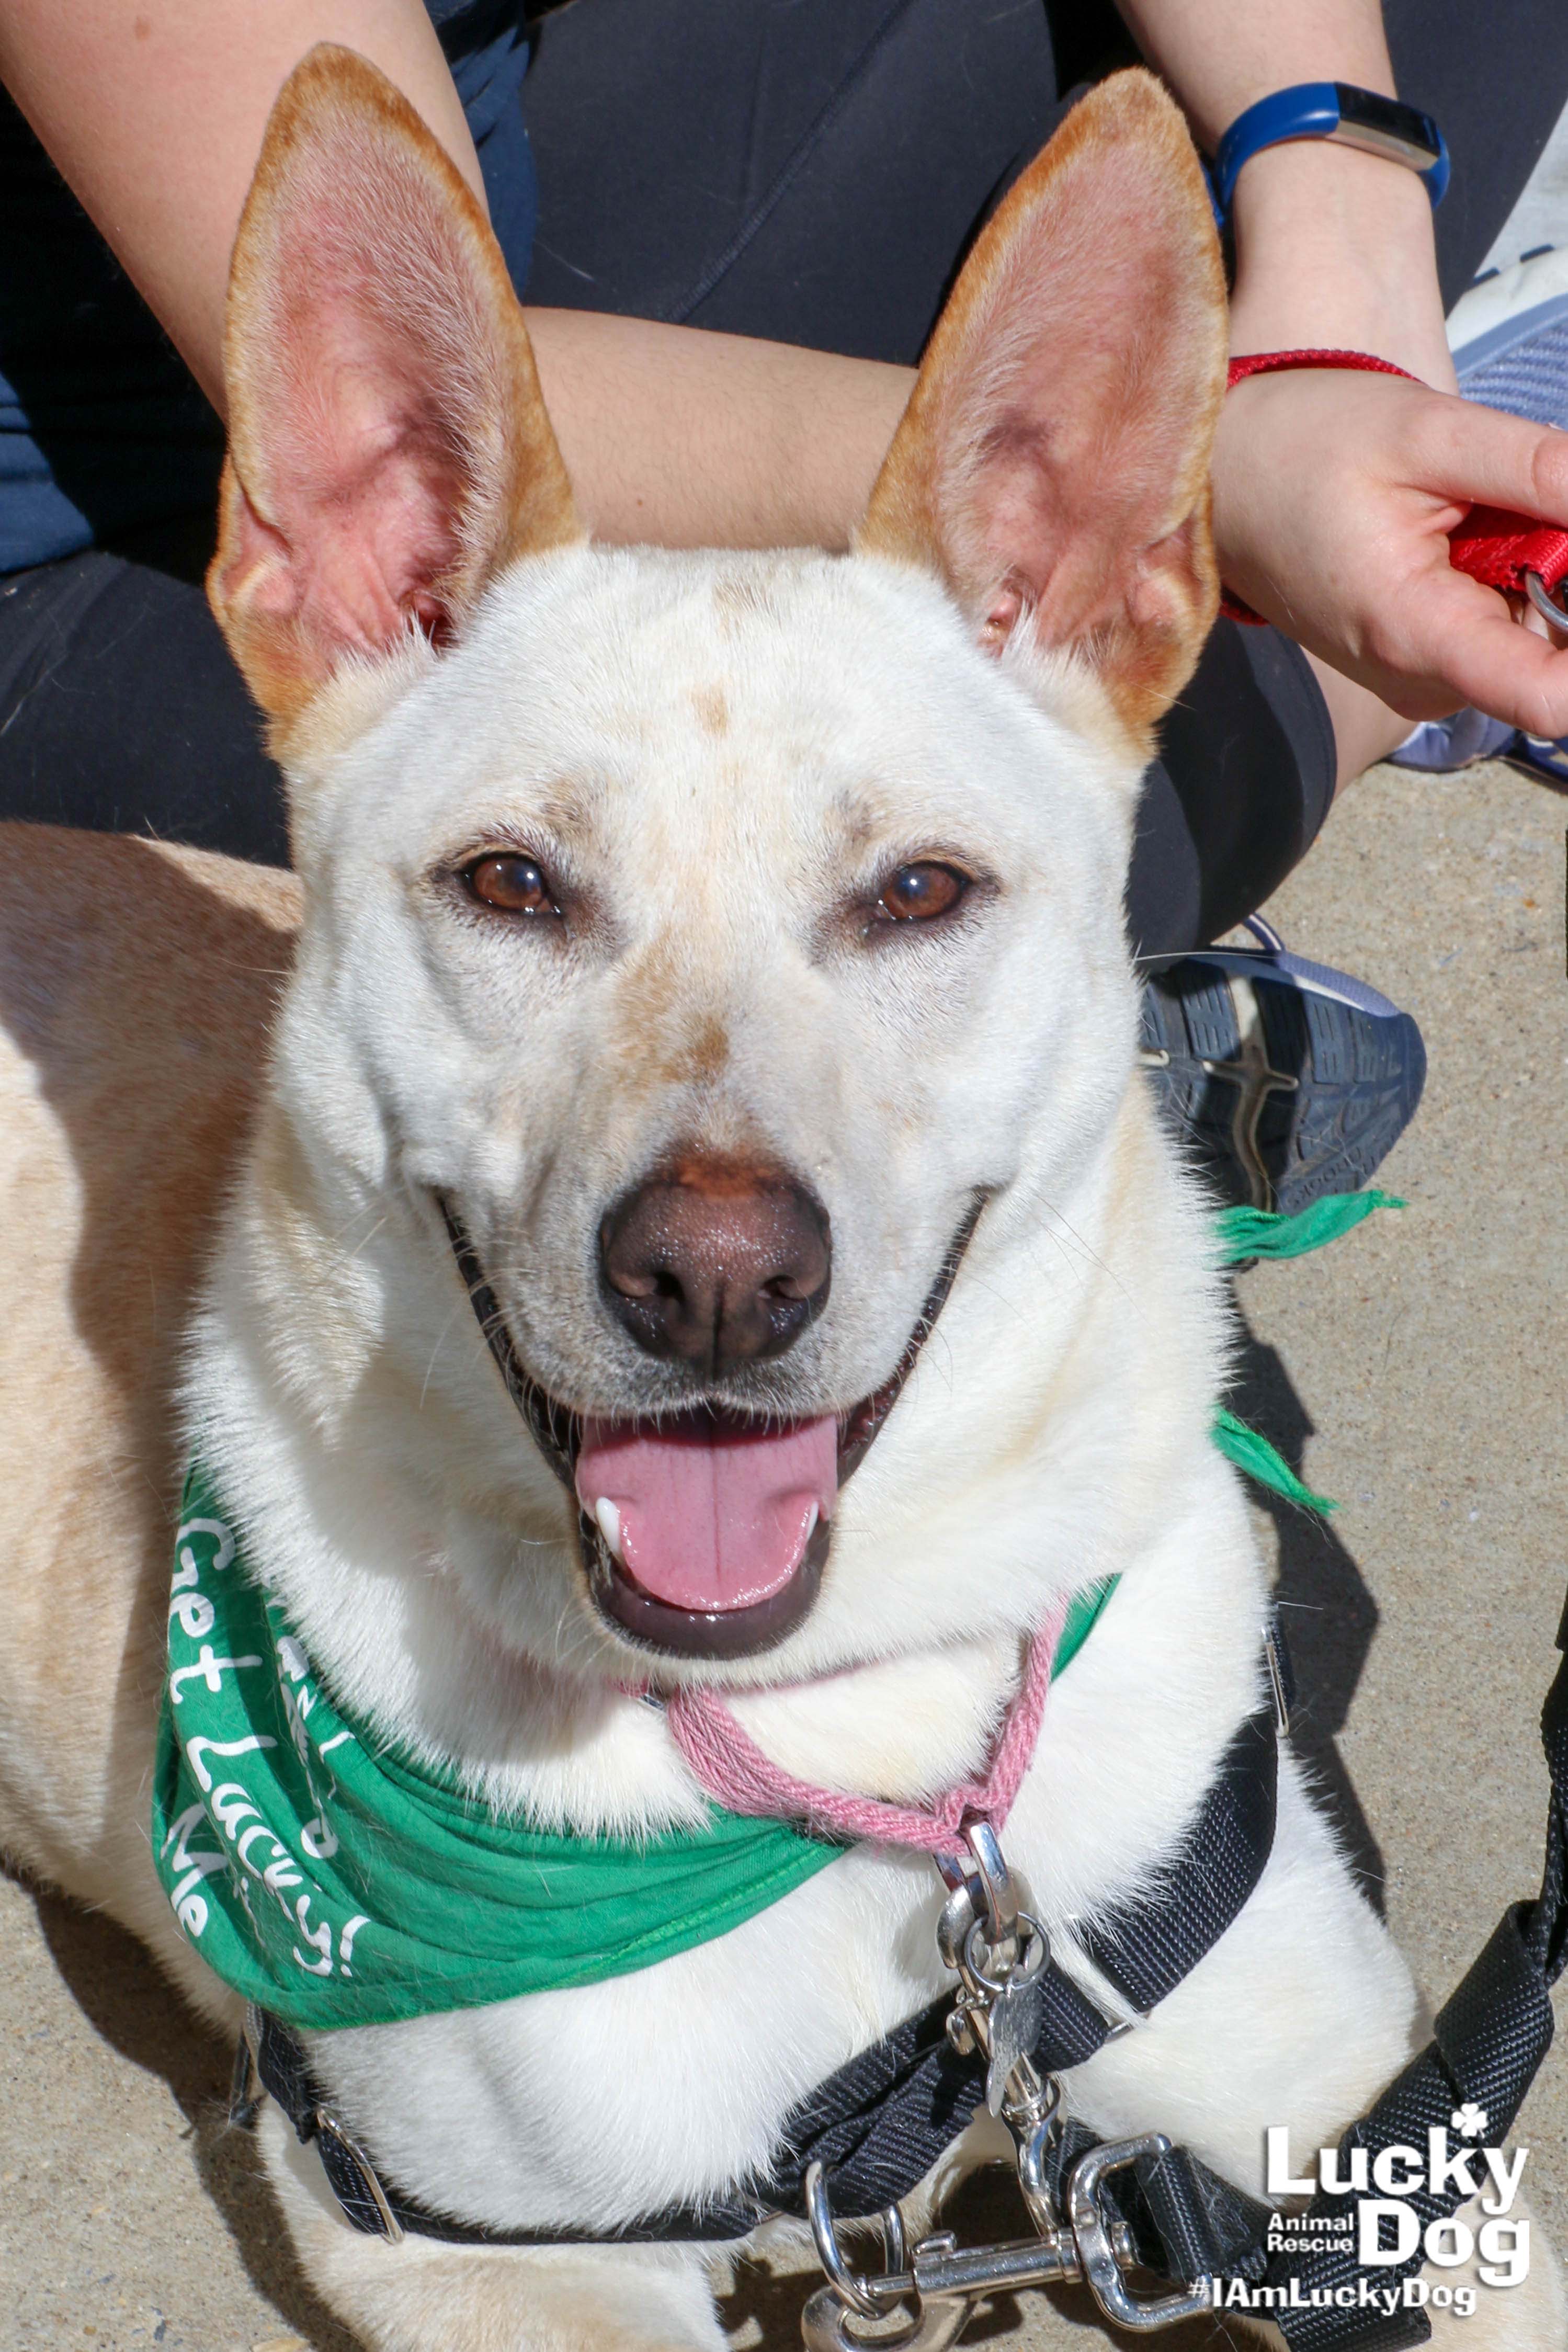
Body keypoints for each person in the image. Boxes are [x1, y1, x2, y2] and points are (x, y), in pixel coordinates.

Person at [1, 0, 1566, 1211]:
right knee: (988, 766)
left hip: (493, 235)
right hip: (135, 560)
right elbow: (375, 361)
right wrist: (1172, 488)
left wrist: (1337, 229)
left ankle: (1400, 460)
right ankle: (1335, 696)